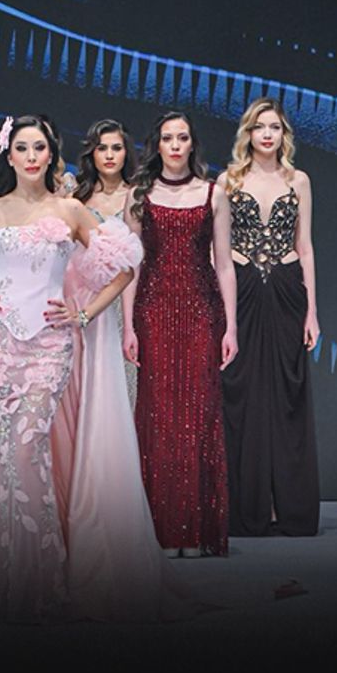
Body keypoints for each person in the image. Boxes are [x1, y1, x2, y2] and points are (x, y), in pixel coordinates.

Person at [0, 114, 188, 623]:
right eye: (23, 148)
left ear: (51, 154)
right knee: (0, 460)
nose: (31, 157)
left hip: (50, 348)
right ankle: (3, 584)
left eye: (39, 148)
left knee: (28, 452)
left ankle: (41, 584)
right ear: (9, 156)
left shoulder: (70, 209)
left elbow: (125, 264)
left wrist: (85, 313)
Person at [123, 111, 237, 558]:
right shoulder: (140, 195)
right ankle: (163, 531)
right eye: (167, 138)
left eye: (182, 137)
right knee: (158, 415)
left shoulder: (213, 193)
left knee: (198, 413)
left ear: (192, 144)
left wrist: (232, 326)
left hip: (201, 312)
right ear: (157, 144)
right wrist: (128, 324)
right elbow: (131, 265)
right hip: (153, 311)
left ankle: (196, 531)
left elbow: (223, 264)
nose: (174, 145)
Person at [220, 97, 320, 537]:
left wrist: (312, 311)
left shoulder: (299, 181)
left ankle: (289, 507)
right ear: (248, 133)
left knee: (287, 394)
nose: (266, 134)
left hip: (286, 290)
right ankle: (248, 508)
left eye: (274, 127)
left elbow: (306, 247)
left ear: (284, 134)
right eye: (259, 126)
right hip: (242, 291)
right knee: (241, 394)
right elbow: (218, 249)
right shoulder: (227, 181)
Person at [74, 119, 138, 406]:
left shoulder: (139, 196)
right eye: (102, 148)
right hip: (85, 298)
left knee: (123, 382)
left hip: (129, 297)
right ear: (92, 153)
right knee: (86, 380)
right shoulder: (77, 197)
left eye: (116, 148)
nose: (110, 155)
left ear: (126, 152)